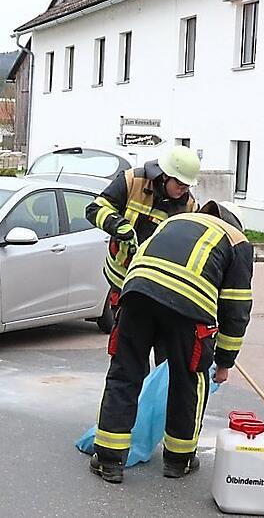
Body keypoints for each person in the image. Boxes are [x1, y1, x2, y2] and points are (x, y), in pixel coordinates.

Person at [90, 201, 253, 484]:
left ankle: (108, 460)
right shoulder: (237, 241)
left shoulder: (175, 221)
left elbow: (131, 264)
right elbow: (236, 308)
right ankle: (179, 460)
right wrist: (224, 361)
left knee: (124, 374)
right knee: (187, 379)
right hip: (188, 308)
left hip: (137, 293)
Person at [84, 145, 200, 364]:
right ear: (165, 175)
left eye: (188, 186)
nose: (184, 190)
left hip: (161, 291)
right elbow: (95, 209)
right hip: (124, 281)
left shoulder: (189, 206)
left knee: (165, 356)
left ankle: (154, 395)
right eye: (180, 184)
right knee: (128, 357)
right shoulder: (132, 181)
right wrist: (118, 225)